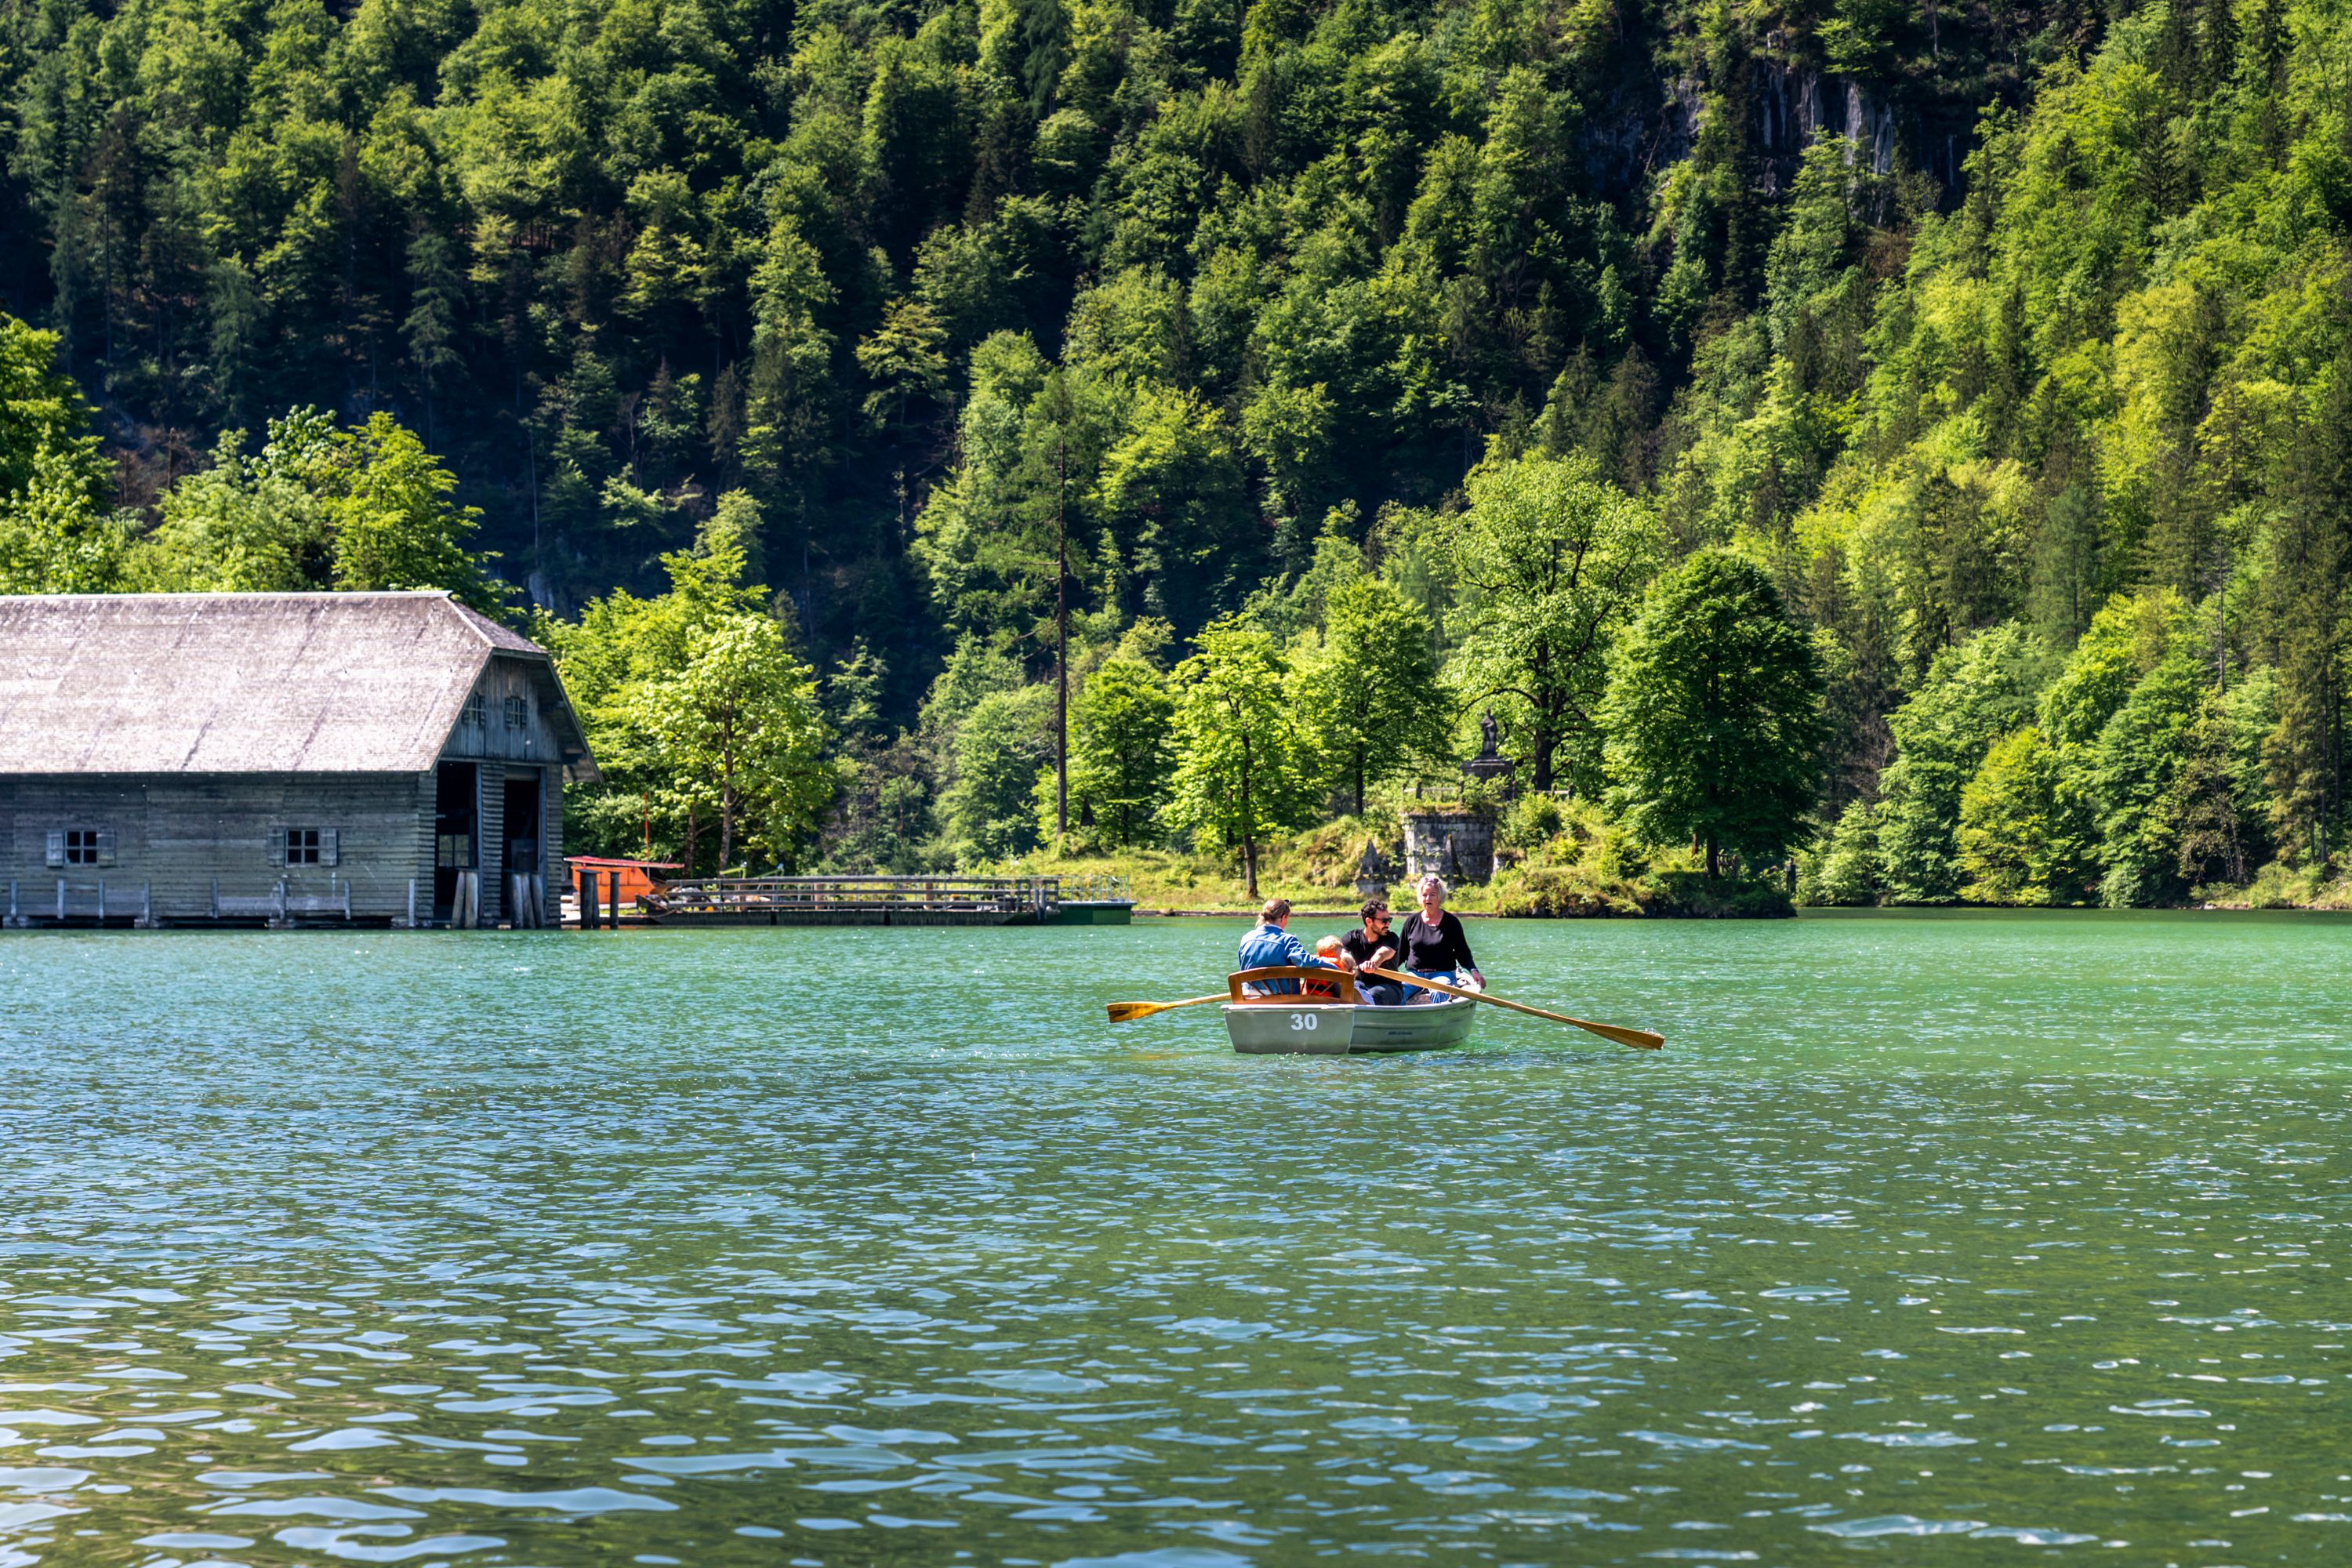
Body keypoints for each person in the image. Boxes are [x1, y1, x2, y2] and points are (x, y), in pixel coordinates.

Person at [1236, 898, 1355, 996]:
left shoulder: (1246, 938)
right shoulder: (1287, 940)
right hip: (1280, 997)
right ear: (1283, 917)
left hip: (1248, 995)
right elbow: (1305, 961)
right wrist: (1335, 968)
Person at [1396, 874, 1484, 1003]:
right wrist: (1386, 970)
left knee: (1439, 991)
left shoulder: (1452, 922)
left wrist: (1474, 970)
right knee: (1397, 993)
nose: (1428, 898)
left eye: (1432, 895)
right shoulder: (1411, 921)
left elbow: (1462, 952)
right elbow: (1401, 953)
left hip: (1442, 974)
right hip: (1415, 975)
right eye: (1425, 895)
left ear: (1440, 897)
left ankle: (1437, 1015)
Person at [1341, 898, 1404, 1005]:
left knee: (1372, 994)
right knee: (1346, 990)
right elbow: (1341, 954)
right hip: (1361, 983)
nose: (1388, 924)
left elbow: (1382, 954)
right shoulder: (1352, 937)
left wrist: (1372, 964)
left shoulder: (1392, 938)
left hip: (1390, 986)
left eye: (1389, 920)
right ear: (1369, 921)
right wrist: (1346, 962)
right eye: (1384, 921)